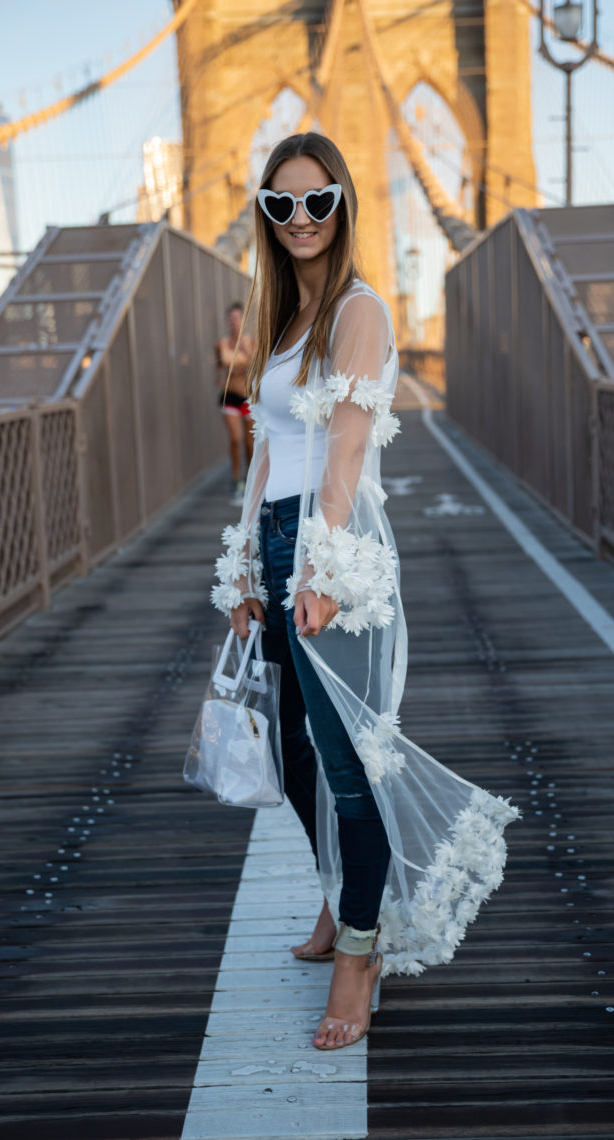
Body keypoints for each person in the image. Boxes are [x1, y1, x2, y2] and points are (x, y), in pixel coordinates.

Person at [211, 132, 520, 1052]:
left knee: (345, 758)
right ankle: (338, 898)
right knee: (295, 755)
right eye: (280, 205)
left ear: (342, 204)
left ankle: (361, 949)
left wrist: (320, 569)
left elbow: (342, 452)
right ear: (265, 218)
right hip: (273, 536)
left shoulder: (359, 309)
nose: (299, 218)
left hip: (330, 541)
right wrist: (240, 562)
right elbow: (267, 449)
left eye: (316, 200)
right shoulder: (280, 318)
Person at [216, 301, 255, 503]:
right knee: (235, 438)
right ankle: (235, 478)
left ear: (243, 321)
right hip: (229, 395)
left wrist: (243, 349)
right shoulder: (221, 344)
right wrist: (220, 380)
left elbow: (257, 364)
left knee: (250, 442)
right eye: (231, 319)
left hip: (247, 395)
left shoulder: (250, 342)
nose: (234, 322)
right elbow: (218, 368)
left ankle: (250, 477)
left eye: (237, 318)